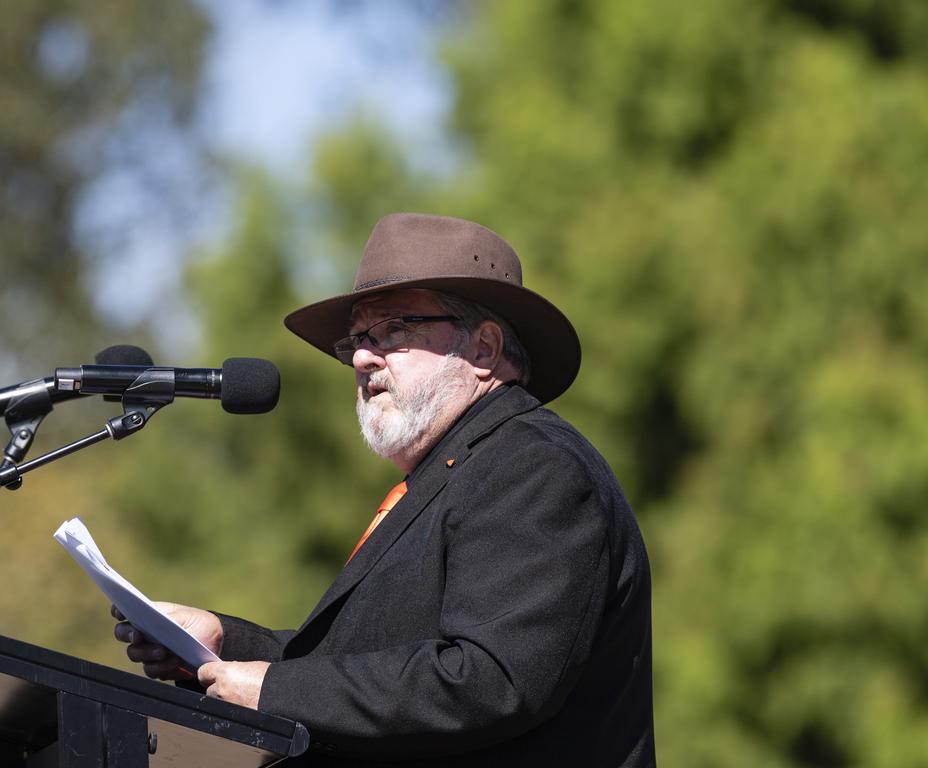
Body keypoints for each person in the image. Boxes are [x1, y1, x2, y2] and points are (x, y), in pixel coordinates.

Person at [114, 213, 656, 766]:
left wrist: (274, 691)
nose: (363, 356)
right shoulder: (460, 472)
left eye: (397, 329)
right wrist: (225, 643)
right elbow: (362, 664)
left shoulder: (532, 466)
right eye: (359, 338)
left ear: (485, 350)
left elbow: (491, 680)